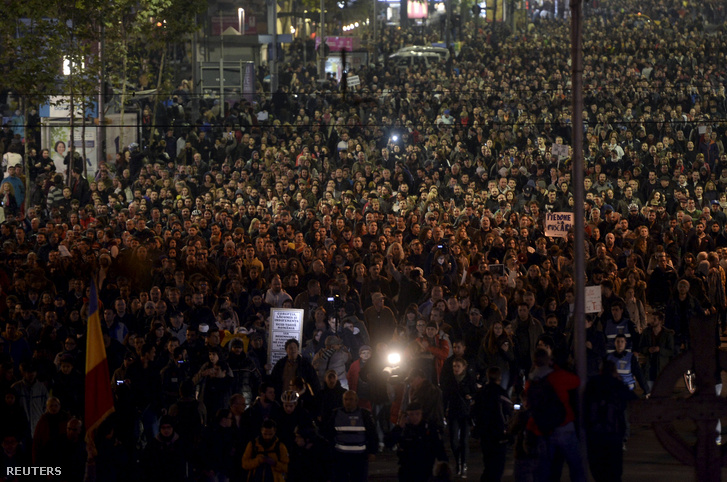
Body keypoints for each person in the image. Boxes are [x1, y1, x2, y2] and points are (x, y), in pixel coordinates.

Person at [525, 349, 585, 482]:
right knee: (576, 466)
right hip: (564, 425)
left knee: (547, 469)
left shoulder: (531, 381)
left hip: (543, 429)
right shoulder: (557, 376)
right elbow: (576, 381)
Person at [584, 360, 636, 482]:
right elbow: (632, 398)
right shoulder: (617, 385)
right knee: (614, 471)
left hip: (595, 434)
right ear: (614, 371)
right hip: (613, 433)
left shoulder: (592, 383)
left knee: (598, 470)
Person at [385, 401, 448, 482]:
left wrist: (444, 467)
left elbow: (439, 448)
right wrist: (399, 427)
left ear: (422, 414)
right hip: (407, 469)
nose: (415, 417)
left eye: (417, 414)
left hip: (425, 469)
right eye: (411, 414)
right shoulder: (404, 429)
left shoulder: (429, 428)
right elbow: (389, 443)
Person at [324, 390, 378, 482]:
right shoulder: (336, 414)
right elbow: (329, 434)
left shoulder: (364, 415)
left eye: (351, 399)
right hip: (341, 457)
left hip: (359, 458)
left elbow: (372, 434)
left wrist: (372, 452)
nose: (348, 402)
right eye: (346, 399)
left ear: (356, 401)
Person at [472, 366, 513, 482]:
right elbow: (508, 411)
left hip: (485, 433)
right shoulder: (501, 393)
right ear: (499, 378)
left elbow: (473, 411)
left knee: (488, 464)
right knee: (498, 467)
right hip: (498, 433)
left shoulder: (481, 393)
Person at [440, 356, 476, 477]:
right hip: (453, 412)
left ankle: (464, 464)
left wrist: (471, 396)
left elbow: (475, 392)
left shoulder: (469, 379)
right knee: (453, 440)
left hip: (465, 413)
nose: (455, 368)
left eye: (458, 366)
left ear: (464, 367)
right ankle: (458, 461)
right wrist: (444, 411)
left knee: (464, 440)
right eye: (454, 366)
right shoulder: (449, 380)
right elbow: (445, 397)